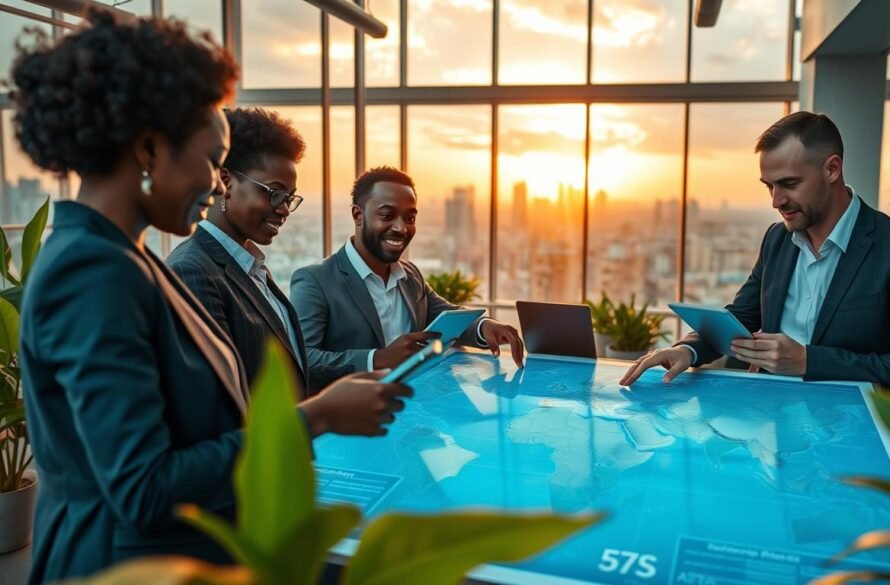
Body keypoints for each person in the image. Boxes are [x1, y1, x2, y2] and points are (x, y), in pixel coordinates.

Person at [11, 11, 409, 583]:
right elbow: (144, 488)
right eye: (211, 161)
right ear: (149, 147)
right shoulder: (92, 271)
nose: (215, 181)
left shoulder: (126, 258)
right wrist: (315, 417)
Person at [620, 112, 890, 396]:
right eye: (769, 186)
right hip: (771, 421)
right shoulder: (777, 240)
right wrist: (688, 349)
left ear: (831, 170)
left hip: (854, 434)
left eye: (789, 184)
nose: (776, 201)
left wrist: (809, 361)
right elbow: (741, 317)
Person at [291, 166, 525, 391]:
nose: (401, 228)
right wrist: (377, 359)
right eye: (387, 215)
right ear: (358, 215)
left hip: (411, 409)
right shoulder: (314, 280)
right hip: (354, 419)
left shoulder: (410, 275)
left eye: (410, 218)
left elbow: (446, 318)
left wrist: (486, 327)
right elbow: (303, 358)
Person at [168, 107, 313, 397]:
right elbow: (219, 400)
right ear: (226, 183)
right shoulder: (192, 271)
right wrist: (321, 413)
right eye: (273, 192)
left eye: (289, 197)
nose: (284, 209)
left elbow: (283, 368)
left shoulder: (249, 263)